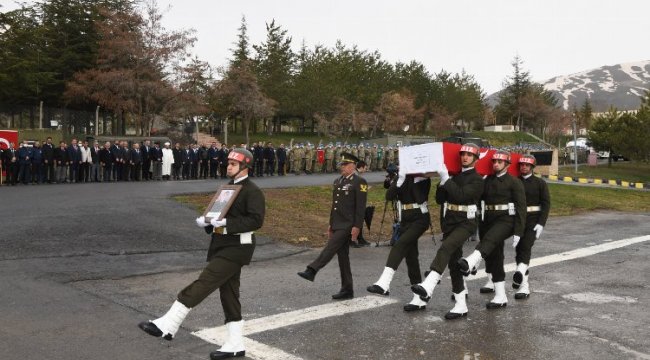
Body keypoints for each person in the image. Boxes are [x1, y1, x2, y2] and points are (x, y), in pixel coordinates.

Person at [138, 148, 265, 360]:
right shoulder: (228, 188)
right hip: (222, 246)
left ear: (245, 167)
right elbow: (218, 214)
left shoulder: (252, 191)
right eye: (228, 163)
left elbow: (256, 220)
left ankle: (168, 325)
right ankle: (235, 344)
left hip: (237, 248)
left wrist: (226, 224)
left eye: (233, 164)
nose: (229, 166)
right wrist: (206, 222)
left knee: (204, 282)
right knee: (229, 295)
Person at [410, 144, 484, 319]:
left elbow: (461, 196)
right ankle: (460, 305)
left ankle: (429, 284)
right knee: (454, 264)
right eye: (463, 154)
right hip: (451, 221)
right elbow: (440, 199)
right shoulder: (454, 176)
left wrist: (447, 180)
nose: (465, 157)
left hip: (467, 222)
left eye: (469, 155)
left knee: (446, 248)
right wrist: (442, 182)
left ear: (475, 159)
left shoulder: (477, 179)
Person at [457, 150, 526, 309]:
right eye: (494, 161)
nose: (495, 164)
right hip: (488, 219)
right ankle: (501, 296)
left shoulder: (514, 182)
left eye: (499, 162)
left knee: (491, 240)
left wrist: (519, 231)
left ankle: (471, 261)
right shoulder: (486, 180)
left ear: (507, 164)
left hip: (506, 219)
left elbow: (521, 208)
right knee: (495, 257)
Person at [366, 157, 435, 311]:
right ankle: (419, 298)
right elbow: (389, 196)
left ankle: (384, 283)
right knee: (411, 259)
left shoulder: (422, 177)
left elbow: (420, 196)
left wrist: (412, 178)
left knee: (400, 244)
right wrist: (399, 179)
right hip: (405, 220)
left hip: (420, 218)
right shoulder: (400, 177)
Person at [297, 152, 368, 300]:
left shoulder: (359, 182)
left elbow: (361, 207)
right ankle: (347, 289)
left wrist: (357, 227)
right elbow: (334, 206)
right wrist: (331, 224)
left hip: (348, 224)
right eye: (341, 165)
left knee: (331, 247)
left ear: (353, 166)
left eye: (345, 165)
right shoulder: (338, 181)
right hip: (337, 223)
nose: (342, 168)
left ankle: (312, 270)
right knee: (343, 258)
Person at [512, 154, 550, 299]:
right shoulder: (515, 182)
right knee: (519, 250)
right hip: (518, 220)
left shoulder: (540, 183)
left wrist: (541, 223)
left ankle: (520, 273)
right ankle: (523, 286)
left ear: (532, 167)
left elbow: (546, 204)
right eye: (521, 165)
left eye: (527, 165)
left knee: (526, 246)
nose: (524, 167)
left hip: (533, 220)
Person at [353, 160, 371, 247]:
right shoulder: (355, 175)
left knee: (359, 220)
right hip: (354, 203)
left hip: (358, 202)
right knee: (355, 221)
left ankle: (360, 238)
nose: (365, 170)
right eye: (365, 168)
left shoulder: (357, 175)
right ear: (361, 167)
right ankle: (353, 240)